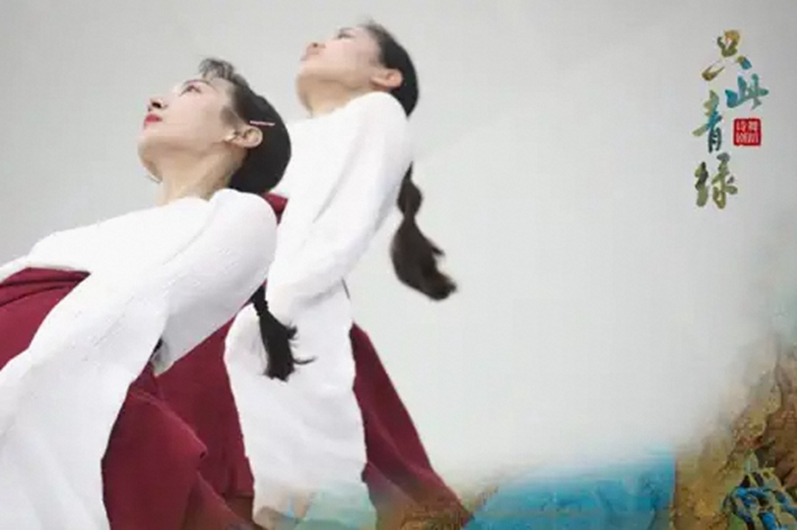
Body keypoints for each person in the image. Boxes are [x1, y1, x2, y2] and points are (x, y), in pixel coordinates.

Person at [0, 58, 293, 530]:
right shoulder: (106, 234)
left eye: (192, 91)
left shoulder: (244, 215)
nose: (157, 100)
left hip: (45, 402)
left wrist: (18, 394)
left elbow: (116, 316)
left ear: (242, 134)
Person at [220, 21, 468, 528]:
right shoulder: (288, 142)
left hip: (281, 316)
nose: (314, 42)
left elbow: (335, 232)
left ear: (387, 76)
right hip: (247, 307)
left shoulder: (377, 112)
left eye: (342, 37)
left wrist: (271, 313)